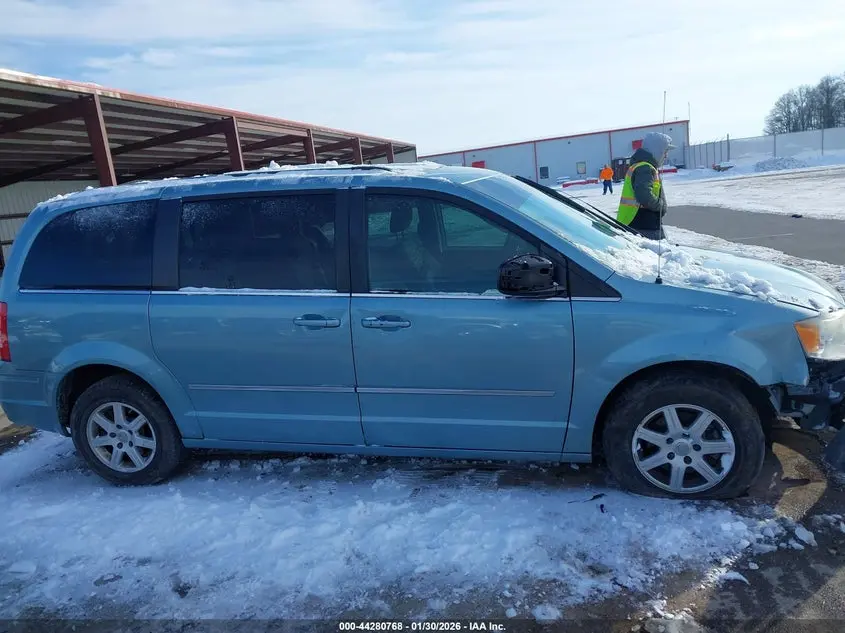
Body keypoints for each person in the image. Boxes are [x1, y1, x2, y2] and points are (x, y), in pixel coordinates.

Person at [616, 132, 675, 240]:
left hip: (640, 224)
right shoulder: (644, 168)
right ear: (657, 150)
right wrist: (661, 206)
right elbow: (644, 196)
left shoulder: (643, 166)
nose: (666, 155)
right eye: (665, 151)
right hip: (643, 226)